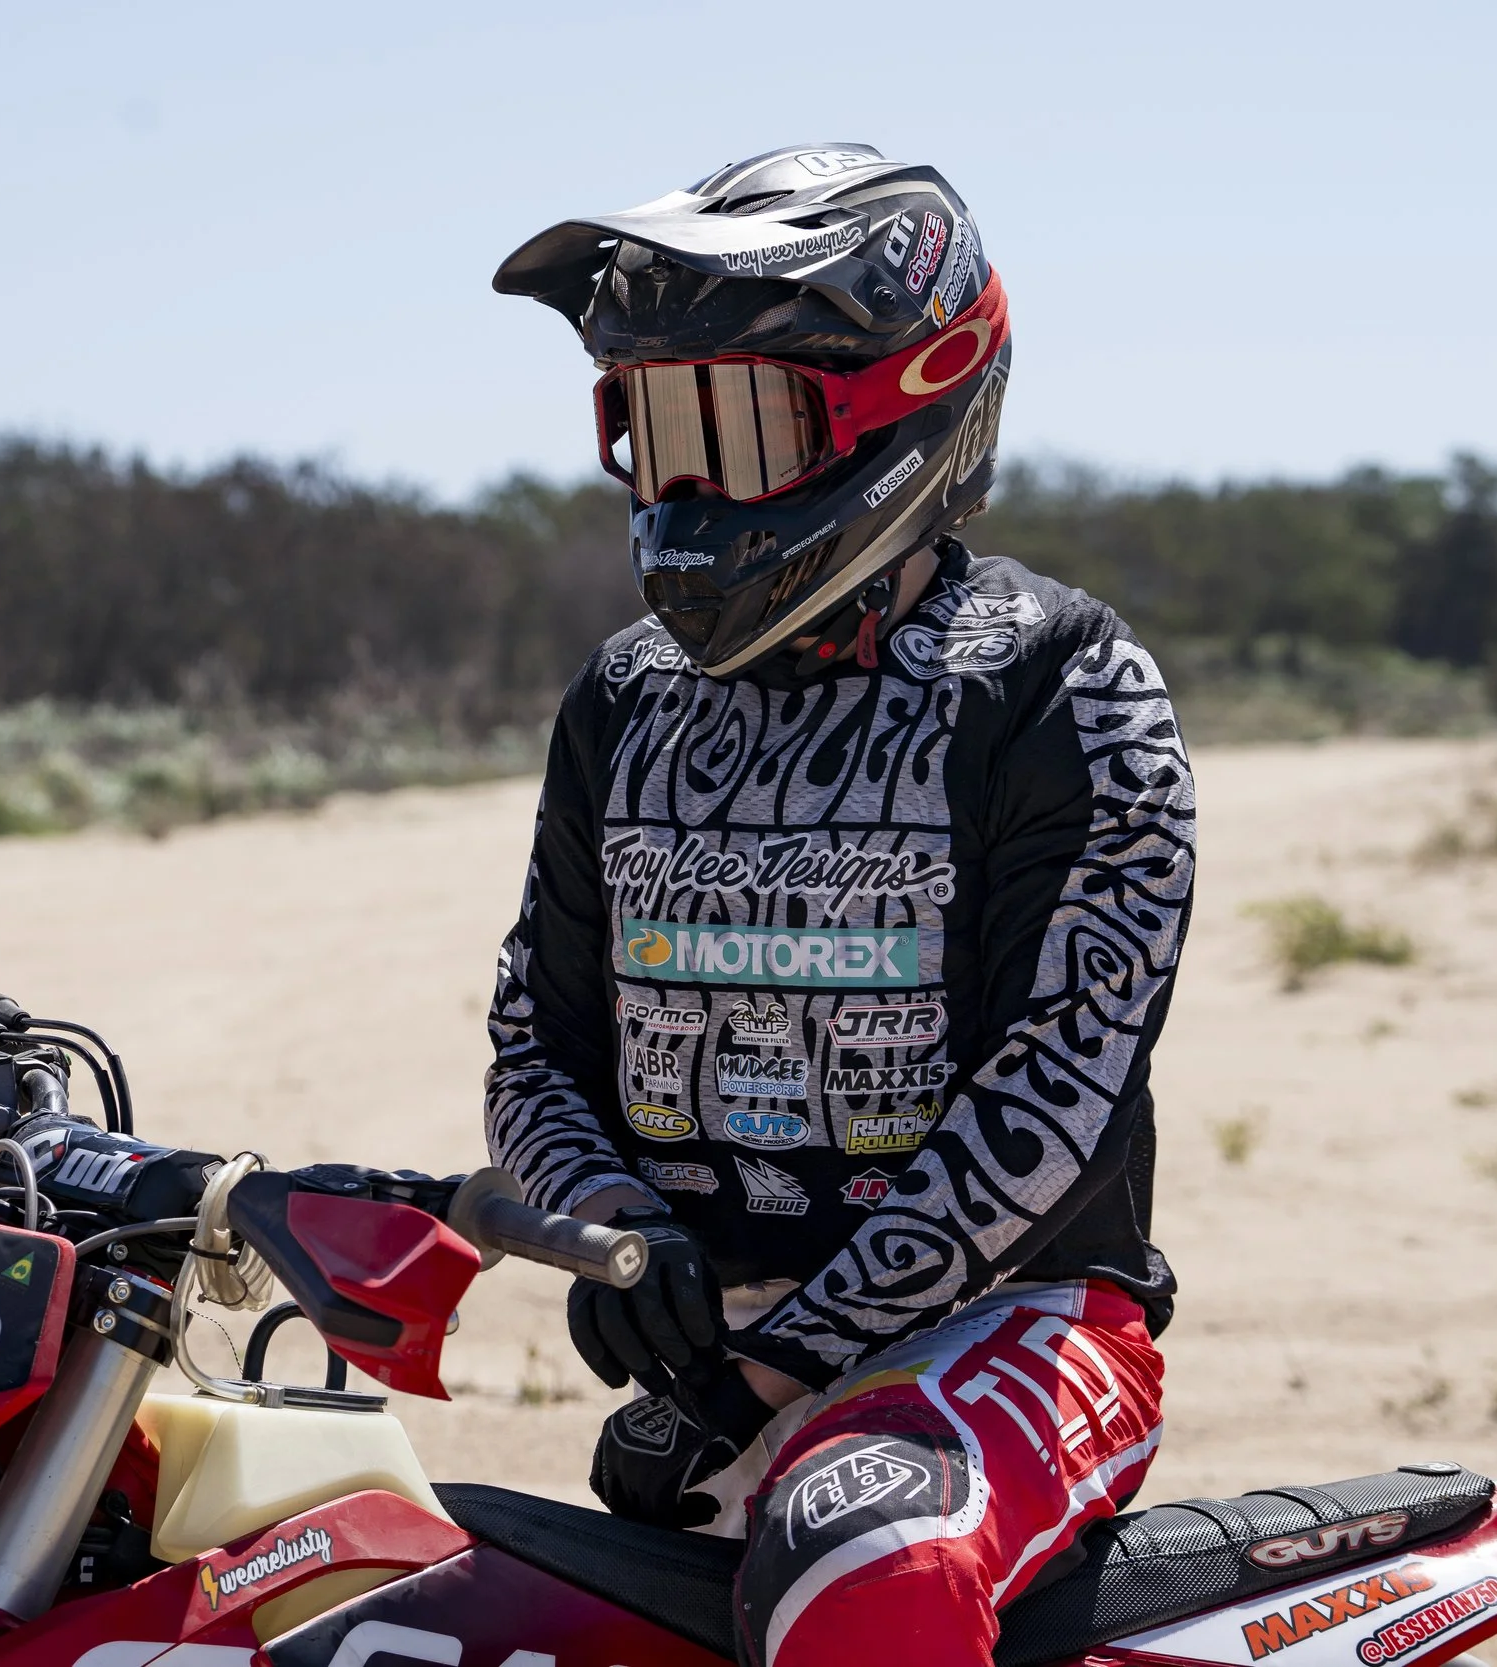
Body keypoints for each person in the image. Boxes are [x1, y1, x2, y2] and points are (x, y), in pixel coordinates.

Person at [482, 143, 1195, 1667]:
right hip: (720, 1364)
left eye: (734, 423)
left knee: (862, 1554)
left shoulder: (1062, 683)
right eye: (653, 427)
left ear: (907, 403)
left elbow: (1050, 1108)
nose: (685, 486)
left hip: (1023, 1335)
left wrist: (761, 1371)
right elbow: (534, 1042)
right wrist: (616, 1232)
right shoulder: (622, 698)